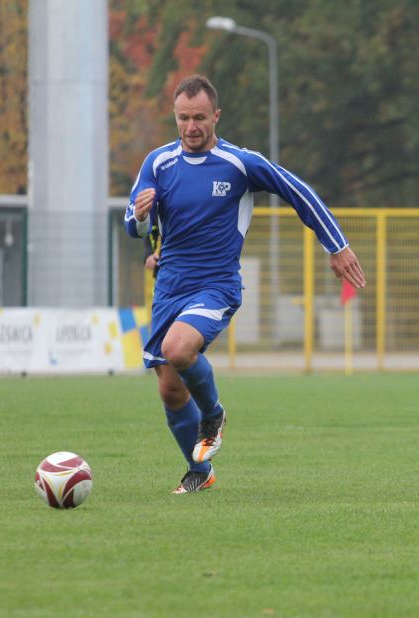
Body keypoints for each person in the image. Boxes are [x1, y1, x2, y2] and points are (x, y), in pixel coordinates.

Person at [125, 75, 365, 494]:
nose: (191, 127)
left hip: (216, 284)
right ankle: (199, 471)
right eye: (183, 118)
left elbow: (298, 191)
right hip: (169, 287)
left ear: (216, 116)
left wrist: (337, 245)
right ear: (175, 117)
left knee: (178, 349)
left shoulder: (239, 163)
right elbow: (133, 225)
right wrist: (142, 217)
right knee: (169, 389)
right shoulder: (158, 162)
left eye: (200, 118)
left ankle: (213, 414)